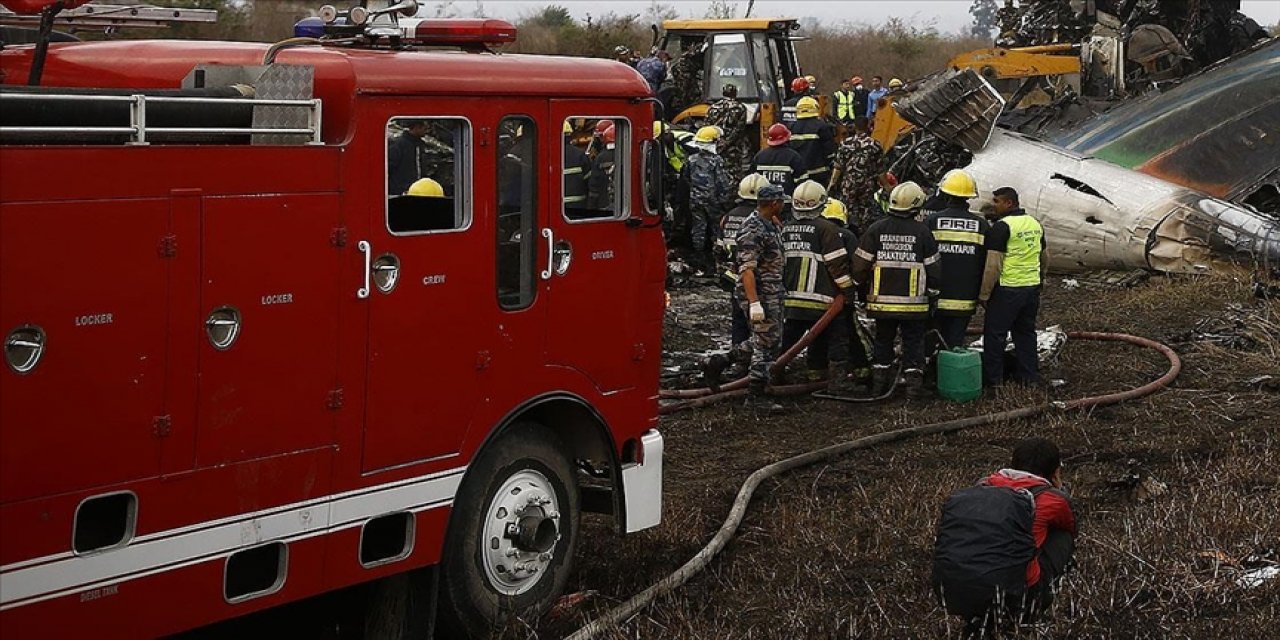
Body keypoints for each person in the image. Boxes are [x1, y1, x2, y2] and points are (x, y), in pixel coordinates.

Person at [932, 437, 1077, 633]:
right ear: (1055, 471)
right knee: (1062, 535)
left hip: (956, 589)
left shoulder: (983, 486)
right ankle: (1038, 602)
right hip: (1017, 595)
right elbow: (1071, 526)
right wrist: (1059, 489)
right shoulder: (1052, 498)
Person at [850, 181, 941, 398]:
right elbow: (934, 270)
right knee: (914, 344)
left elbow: (860, 267)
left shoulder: (876, 229)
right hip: (914, 306)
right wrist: (933, 294)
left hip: (882, 304)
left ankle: (879, 385)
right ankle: (913, 390)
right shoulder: (923, 232)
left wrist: (858, 289)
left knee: (883, 341)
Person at [779, 181, 858, 387]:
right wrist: (848, 292)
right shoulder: (827, 229)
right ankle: (838, 383)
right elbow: (837, 266)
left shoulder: (785, 229)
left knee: (786, 341)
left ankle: (775, 374)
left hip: (791, 301)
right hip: (824, 303)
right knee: (837, 341)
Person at [979, 186, 1048, 387]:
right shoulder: (1034, 223)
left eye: (997, 201)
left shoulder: (1002, 227)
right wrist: (1040, 279)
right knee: (1026, 333)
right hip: (1031, 289)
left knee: (995, 335)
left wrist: (984, 294)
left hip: (1008, 290)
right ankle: (1029, 377)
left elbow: (993, 265)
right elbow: (1044, 256)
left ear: (1009, 203)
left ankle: (994, 381)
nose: (993, 205)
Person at [735, 184, 788, 411]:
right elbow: (747, 269)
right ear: (774, 203)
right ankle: (756, 395)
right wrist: (754, 302)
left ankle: (721, 360)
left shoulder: (769, 223)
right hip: (762, 293)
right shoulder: (752, 229)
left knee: (766, 339)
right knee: (766, 343)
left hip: (772, 290)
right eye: (782, 201)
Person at [924, 169, 989, 356]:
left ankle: (929, 370)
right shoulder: (981, 225)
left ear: (945, 194)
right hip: (965, 298)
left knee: (930, 341)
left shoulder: (932, 221)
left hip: (936, 297)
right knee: (954, 346)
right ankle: (951, 371)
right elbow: (985, 261)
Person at [715, 174, 772, 377]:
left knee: (739, 322)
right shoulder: (762, 219)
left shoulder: (728, 217)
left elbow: (719, 249)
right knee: (762, 326)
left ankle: (739, 364)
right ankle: (759, 366)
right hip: (757, 281)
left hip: (734, 279)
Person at [820, 197, 874, 392]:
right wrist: (855, 291)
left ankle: (816, 371)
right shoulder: (849, 236)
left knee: (818, 335)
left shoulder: (819, 231)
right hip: (842, 295)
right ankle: (861, 369)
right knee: (848, 333)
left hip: (821, 294)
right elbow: (856, 265)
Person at [679, 125, 735, 274]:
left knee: (698, 228)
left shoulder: (691, 159)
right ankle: (717, 261)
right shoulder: (717, 161)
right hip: (713, 201)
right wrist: (726, 202)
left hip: (695, 200)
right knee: (716, 230)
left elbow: (685, 178)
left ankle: (699, 260)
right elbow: (722, 183)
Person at [828, 117, 883, 231]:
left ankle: (849, 232)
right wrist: (888, 187)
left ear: (855, 127)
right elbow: (880, 170)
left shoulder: (845, 144)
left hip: (848, 185)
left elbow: (838, 167)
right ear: (868, 126)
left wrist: (831, 185)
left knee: (848, 211)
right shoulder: (874, 145)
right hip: (866, 186)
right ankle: (863, 233)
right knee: (865, 212)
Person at [706, 83, 753, 182]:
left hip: (715, 145)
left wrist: (717, 142)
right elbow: (739, 129)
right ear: (735, 93)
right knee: (733, 172)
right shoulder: (740, 108)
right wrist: (727, 142)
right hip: (733, 146)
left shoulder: (713, 107)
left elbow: (707, 127)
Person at [788, 97, 836, 190]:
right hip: (819, 173)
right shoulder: (822, 126)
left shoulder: (791, 127)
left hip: (799, 174)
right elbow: (829, 151)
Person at [752, 123, 807, 201]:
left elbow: (752, 180)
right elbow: (802, 185)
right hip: (786, 203)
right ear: (787, 138)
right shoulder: (794, 157)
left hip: (764, 204)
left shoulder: (759, 156)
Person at [387, 119, 430, 196]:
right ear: (417, 127)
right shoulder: (399, 145)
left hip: (419, 190)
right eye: (425, 128)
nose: (427, 131)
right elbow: (389, 168)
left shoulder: (421, 145)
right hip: (401, 192)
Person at [586, 123, 618, 213]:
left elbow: (594, 185)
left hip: (604, 203)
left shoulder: (601, 157)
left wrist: (591, 207)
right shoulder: (629, 154)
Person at [563, 121, 591, 215]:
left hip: (553, 206)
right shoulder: (579, 154)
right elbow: (589, 181)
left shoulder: (545, 154)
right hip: (578, 206)